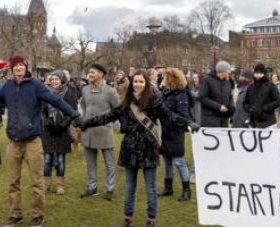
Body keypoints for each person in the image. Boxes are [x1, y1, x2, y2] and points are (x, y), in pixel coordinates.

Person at [0, 54, 79, 227]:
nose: (18, 68)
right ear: (11, 68)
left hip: (33, 141)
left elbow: (56, 101)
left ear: (26, 67)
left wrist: (74, 114)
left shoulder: (36, 85)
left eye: (21, 65)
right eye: (15, 65)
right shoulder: (7, 87)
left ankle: (37, 215)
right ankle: (15, 214)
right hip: (14, 142)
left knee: (37, 181)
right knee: (13, 181)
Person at [77, 72, 198, 227]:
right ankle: (128, 218)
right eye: (135, 81)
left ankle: (151, 219)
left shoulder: (154, 100)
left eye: (141, 81)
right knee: (129, 187)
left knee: (150, 188)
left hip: (149, 149)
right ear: (132, 83)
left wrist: (189, 123)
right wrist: (87, 123)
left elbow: (170, 116)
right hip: (130, 148)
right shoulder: (127, 101)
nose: (138, 84)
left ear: (146, 83)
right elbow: (109, 116)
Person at [79, 63, 121, 201]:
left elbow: (118, 110)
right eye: (89, 72)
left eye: (93, 72)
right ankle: (92, 187)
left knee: (109, 163)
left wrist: (113, 124)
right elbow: (83, 107)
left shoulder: (110, 91)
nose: (90, 74)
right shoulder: (84, 89)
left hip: (104, 133)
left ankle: (110, 189)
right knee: (90, 163)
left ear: (102, 74)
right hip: (88, 132)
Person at [157, 68, 193, 201]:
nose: (163, 80)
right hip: (165, 132)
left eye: (166, 78)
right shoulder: (166, 93)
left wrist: (172, 122)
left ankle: (186, 190)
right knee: (166, 160)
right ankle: (168, 187)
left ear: (172, 79)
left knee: (179, 162)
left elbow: (183, 115)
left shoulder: (182, 95)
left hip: (175, 133)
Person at [40, 70, 78, 195]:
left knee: (61, 159)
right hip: (48, 131)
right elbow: (41, 111)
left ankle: (60, 185)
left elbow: (72, 111)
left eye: (56, 79)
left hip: (62, 131)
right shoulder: (45, 92)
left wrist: (62, 125)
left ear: (62, 80)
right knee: (47, 159)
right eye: (52, 80)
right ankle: (46, 184)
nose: (54, 81)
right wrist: (47, 122)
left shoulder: (70, 93)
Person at [243, 63, 280, 128]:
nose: (258, 75)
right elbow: (245, 102)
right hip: (253, 122)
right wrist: (250, 109)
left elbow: (278, 101)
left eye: (260, 73)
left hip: (268, 122)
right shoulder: (251, 87)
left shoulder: (271, 86)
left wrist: (265, 108)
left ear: (264, 74)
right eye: (256, 73)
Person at [198, 61, 235, 128]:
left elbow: (230, 97)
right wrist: (218, 107)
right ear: (222, 71)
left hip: (223, 121)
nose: (229, 72)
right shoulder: (207, 80)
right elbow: (202, 97)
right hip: (210, 121)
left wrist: (232, 108)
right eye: (228, 70)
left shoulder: (228, 83)